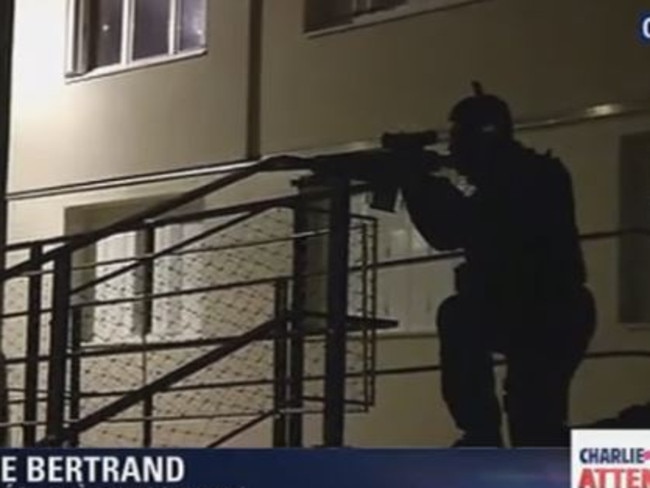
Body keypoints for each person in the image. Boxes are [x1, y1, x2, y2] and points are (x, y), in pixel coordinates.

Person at [399, 84, 596, 447]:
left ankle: (483, 435)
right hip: (531, 311)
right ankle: (481, 435)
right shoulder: (529, 174)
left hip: (544, 314)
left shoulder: (525, 179)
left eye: (460, 142)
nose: (454, 152)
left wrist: (417, 184)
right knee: (535, 427)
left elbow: (454, 229)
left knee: (536, 428)